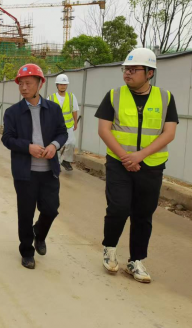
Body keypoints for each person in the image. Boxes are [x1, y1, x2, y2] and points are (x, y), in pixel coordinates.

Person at [96, 48, 177, 283]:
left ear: (150, 73)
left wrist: (140, 156)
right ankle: (110, 248)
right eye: (126, 69)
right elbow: (104, 130)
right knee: (119, 208)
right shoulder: (114, 95)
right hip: (119, 163)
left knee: (143, 213)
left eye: (134, 69)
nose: (127, 73)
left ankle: (136, 261)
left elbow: (169, 133)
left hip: (151, 165)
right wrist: (126, 157)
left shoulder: (165, 97)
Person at [2, 64, 67, 269]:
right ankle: (27, 251)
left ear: (40, 84)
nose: (23, 87)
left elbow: (62, 133)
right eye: (21, 83)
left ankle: (39, 234)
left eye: (28, 83)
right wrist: (28, 147)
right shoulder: (13, 112)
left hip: (49, 171)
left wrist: (54, 146)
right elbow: (7, 139)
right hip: (25, 172)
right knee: (26, 213)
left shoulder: (53, 109)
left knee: (51, 209)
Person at [48, 74, 79, 171]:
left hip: (68, 126)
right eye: (61, 84)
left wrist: (75, 122)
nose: (63, 86)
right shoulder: (51, 98)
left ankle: (66, 160)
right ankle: (56, 164)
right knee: (56, 145)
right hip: (55, 127)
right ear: (57, 85)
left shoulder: (71, 96)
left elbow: (74, 110)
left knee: (71, 143)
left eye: (65, 84)